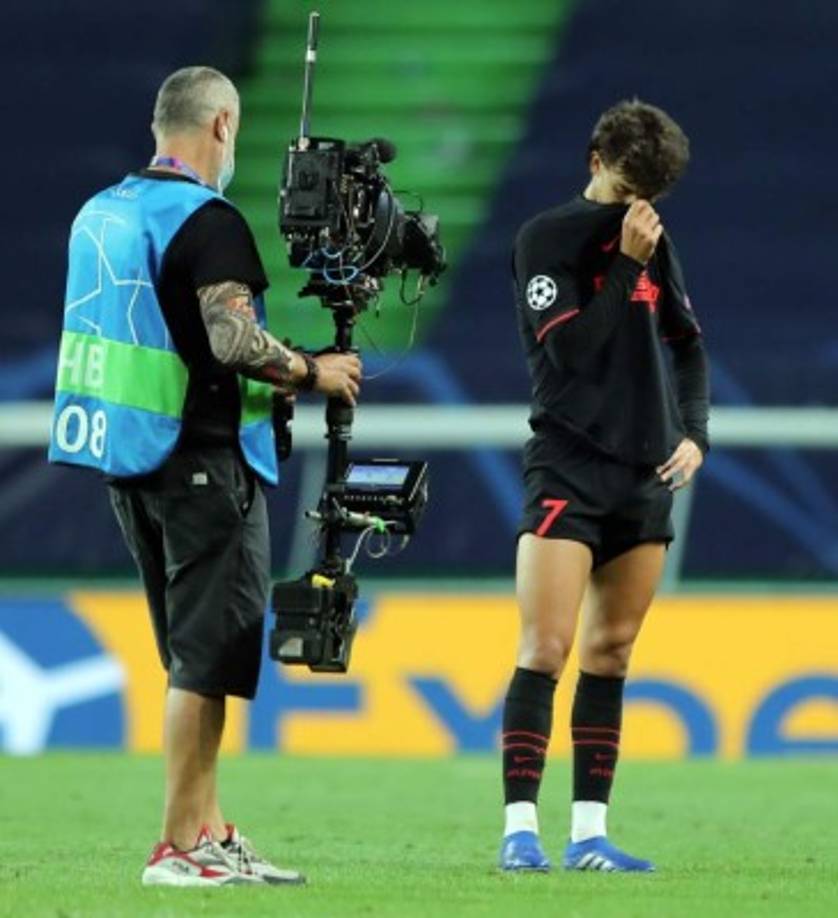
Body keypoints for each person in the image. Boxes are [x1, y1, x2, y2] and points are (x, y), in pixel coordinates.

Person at [48, 66, 361, 886]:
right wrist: (309, 370)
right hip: (202, 464)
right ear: (221, 125)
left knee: (199, 657)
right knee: (205, 655)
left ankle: (209, 832)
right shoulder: (207, 218)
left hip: (131, 456)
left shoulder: (103, 212)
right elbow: (229, 340)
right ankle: (178, 845)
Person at [498, 99, 709, 873]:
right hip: (569, 466)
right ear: (595, 162)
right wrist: (623, 260)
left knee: (611, 654)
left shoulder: (658, 241)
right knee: (546, 648)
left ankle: (589, 835)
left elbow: (687, 348)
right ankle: (520, 830)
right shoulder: (545, 240)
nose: (640, 210)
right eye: (628, 191)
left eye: (650, 197)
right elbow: (570, 357)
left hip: (643, 474)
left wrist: (695, 435)